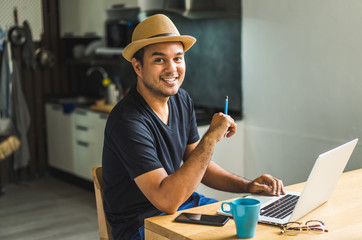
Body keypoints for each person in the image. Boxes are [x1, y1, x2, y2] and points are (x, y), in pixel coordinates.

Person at [102, 14, 285, 240]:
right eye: (160, 60)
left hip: (185, 207)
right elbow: (167, 201)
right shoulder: (127, 120)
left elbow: (199, 165)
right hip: (142, 224)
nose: (172, 69)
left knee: (250, 229)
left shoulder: (182, 100)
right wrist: (210, 138)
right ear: (138, 67)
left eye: (178, 58)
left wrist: (248, 186)